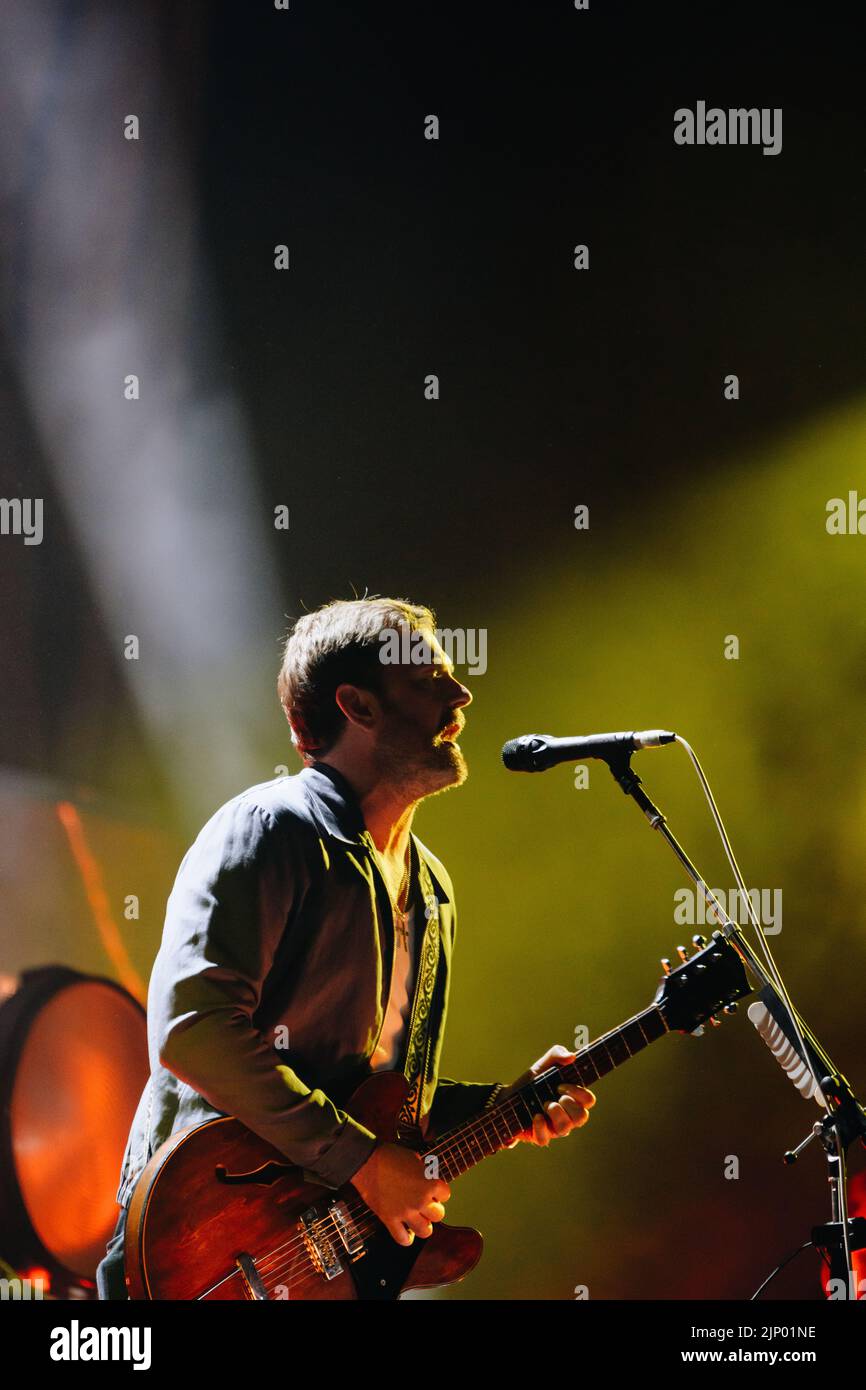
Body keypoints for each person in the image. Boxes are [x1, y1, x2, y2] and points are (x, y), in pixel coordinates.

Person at [97, 596, 595, 1299]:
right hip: (206, 1248)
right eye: (429, 679)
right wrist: (362, 1162)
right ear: (358, 706)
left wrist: (507, 1107)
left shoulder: (433, 890)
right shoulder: (269, 831)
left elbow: (371, 1096)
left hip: (322, 1268)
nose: (462, 694)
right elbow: (194, 1030)